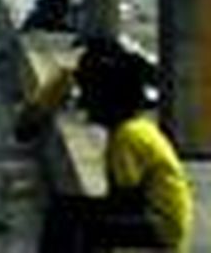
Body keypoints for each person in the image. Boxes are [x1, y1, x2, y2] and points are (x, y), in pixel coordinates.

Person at [27, 38, 194, 251]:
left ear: (107, 100)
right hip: (156, 218)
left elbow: (125, 203)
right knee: (70, 211)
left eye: (89, 97)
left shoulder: (128, 137)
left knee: (76, 221)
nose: (84, 106)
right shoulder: (133, 129)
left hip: (160, 226)